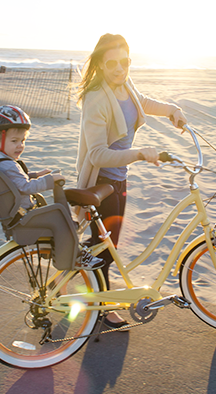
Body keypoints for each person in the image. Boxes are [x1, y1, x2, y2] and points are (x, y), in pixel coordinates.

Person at [76, 34, 187, 328]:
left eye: (124, 61)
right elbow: (98, 154)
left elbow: (143, 102)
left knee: (101, 246)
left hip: (118, 179)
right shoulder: (96, 97)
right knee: (104, 248)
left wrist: (172, 110)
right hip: (101, 183)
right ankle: (100, 307)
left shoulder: (125, 83)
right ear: (100, 63)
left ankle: (69, 284)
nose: (118, 68)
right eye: (111, 62)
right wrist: (138, 153)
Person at [0, 104, 105, 271]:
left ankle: (58, 248)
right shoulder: (8, 165)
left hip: (16, 214)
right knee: (62, 216)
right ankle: (76, 257)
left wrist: (35, 174)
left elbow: (13, 182)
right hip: (24, 216)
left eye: (22, 140)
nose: (20, 146)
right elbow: (25, 187)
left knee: (57, 214)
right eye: (14, 141)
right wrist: (49, 180)